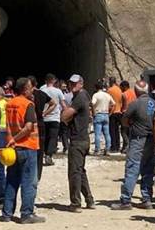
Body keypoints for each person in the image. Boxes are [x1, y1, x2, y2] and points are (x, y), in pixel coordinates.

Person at [3, 77, 44, 224]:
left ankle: (7, 213)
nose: (32, 90)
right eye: (30, 87)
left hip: (14, 149)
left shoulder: (10, 104)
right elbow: (28, 127)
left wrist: (10, 140)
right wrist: (16, 138)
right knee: (29, 182)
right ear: (25, 89)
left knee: (12, 180)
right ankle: (27, 213)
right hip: (28, 146)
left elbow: (7, 125)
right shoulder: (28, 104)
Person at [112, 80, 155, 210]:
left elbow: (124, 120)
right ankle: (147, 198)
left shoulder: (135, 104)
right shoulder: (153, 103)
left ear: (136, 91)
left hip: (137, 139)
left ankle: (126, 200)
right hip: (151, 139)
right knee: (148, 170)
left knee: (132, 168)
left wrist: (131, 124)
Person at [61, 74, 95, 212]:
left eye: (75, 83)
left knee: (74, 172)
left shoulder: (79, 97)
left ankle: (75, 203)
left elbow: (65, 116)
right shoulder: (85, 95)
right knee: (80, 171)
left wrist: (65, 111)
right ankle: (89, 200)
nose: (72, 86)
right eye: (71, 83)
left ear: (81, 83)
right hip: (83, 139)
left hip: (78, 139)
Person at [29, 76, 54, 180]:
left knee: (30, 148)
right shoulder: (42, 94)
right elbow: (53, 103)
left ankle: (30, 173)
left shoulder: (28, 96)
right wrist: (45, 113)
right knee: (40, 149)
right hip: (41, 122)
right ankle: (38, 175)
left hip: (31, 124)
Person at [40, 73, 65, 166]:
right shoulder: (58, 91)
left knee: (45, 137)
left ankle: (43, 153)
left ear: (45, 81)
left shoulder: (41, 90)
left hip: (44, 118)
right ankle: (48, 155)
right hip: (55, 118)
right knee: (53, 138)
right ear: (54, 81)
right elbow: (63, 105)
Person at [91, 80, 115, 155]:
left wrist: (93, 112)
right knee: (107, 134)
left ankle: (97, 150)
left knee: (98, 134)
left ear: (96, 87)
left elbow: (92, 103)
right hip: (106, 114)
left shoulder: (96, 95)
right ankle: (107, 149)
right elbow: (114, 103)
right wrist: (110, 112)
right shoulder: (107, 95)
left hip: (98, 114)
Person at [107, 77, 124, 153]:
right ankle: (118, 146)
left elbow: (109, 102)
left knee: (112, 130)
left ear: (111, 82)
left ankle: (113, 147)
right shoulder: (119, 89)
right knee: (117, 130)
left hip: (113, 112)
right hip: (119, 111)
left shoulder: (109, 90)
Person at [119, 80, 137, 153]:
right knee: (130, 131)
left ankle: (127, 145)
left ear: (124, 86)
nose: (121, 89)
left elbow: (123, 106)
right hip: (134, 113)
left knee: (123, 131)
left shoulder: (124, 94)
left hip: (126, 113)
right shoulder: (134, 93)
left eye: (121, 87)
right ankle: (128, 146)